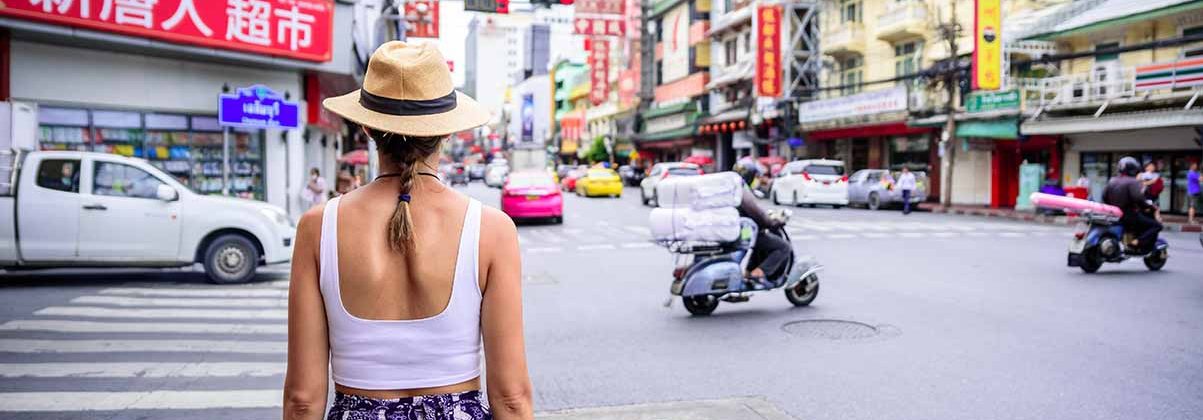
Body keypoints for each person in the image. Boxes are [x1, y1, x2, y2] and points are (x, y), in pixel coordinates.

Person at [284, 42, 532, 420]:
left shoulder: (318, 227)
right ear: (447, 132)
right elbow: (512, 398)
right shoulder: (491, 230)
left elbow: (303, 400)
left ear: (367, 128)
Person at [733, 161, 790, 283]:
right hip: (746, 234)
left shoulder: (734, 190)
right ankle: (758, 274)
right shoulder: (744, 193)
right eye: (756, 177)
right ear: (750, 176)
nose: (758, 180)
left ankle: (748, 272)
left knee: (762, 242)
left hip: (739, 231)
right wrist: (772, 222)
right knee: (783, 247)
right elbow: (758, 215)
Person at [1103, 156, 1162, 253]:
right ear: (1133, 169)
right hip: (1129, 215)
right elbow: (1139, 199)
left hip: (1114, 215)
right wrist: (1148, 207)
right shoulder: (1133, 182)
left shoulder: (1112, 180)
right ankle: (1136, 242)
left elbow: (1104, 197)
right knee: (1157, 226)